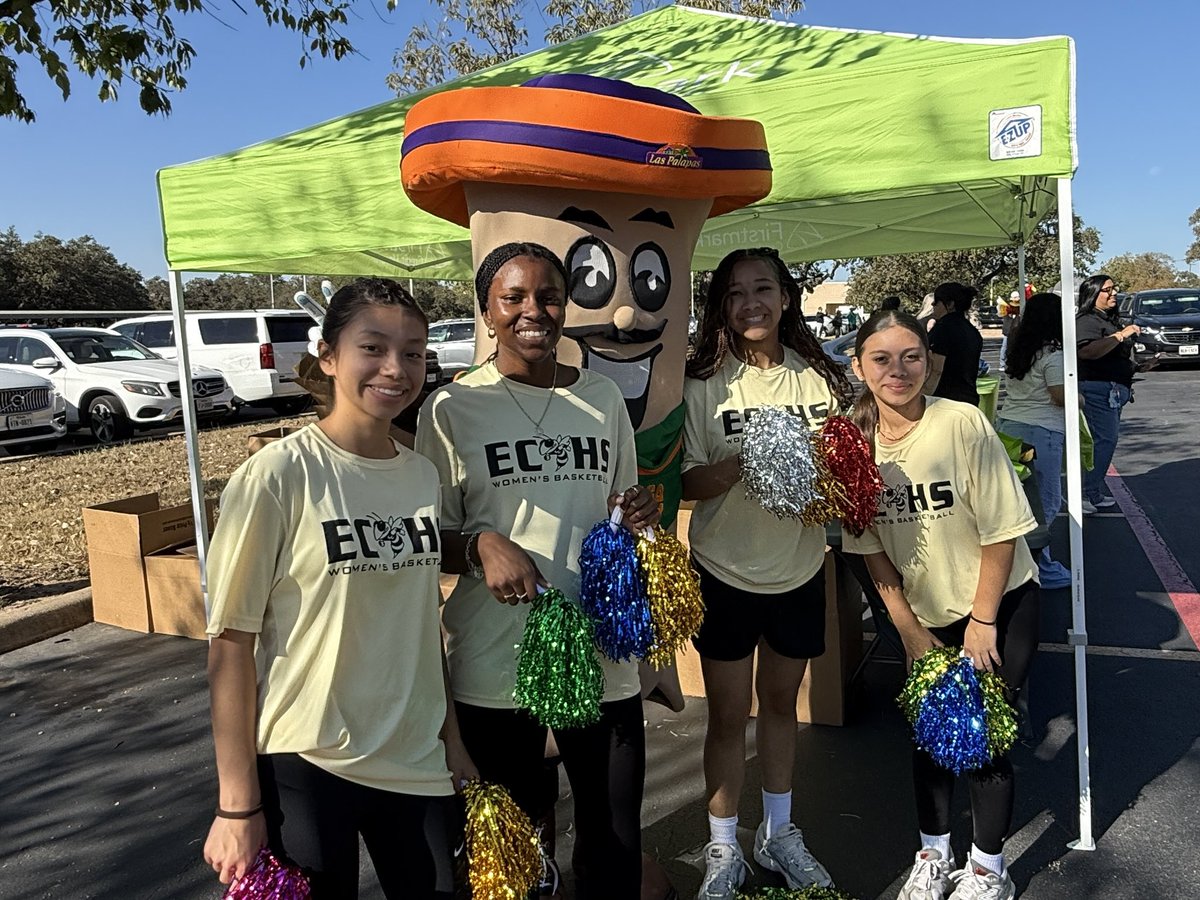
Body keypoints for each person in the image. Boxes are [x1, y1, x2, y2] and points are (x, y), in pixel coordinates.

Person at [202, 278, 475, 899]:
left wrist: (452, 741)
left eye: (412, 352)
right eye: (372, 348)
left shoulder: (422, 476)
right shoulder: (277, 474)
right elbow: (231, 644)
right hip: (308, 757)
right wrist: (237, 806)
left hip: (414, 758)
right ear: (328, 356)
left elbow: (418, 620)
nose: (395, 368)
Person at [415, 242, 660, 900]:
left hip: (601, 657)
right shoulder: (450, 410)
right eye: (514, 297)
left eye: (549, 296)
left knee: (614, 844)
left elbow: (618, 509)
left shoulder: (604, 398)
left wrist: (635, 513)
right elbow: (423, 540)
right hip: (498, 663)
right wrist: (477, 545)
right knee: (513, 856)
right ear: (487, 311)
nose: (535, 310)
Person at [843, 310, 1040, 900]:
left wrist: (982, 622)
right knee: (929, 736)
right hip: (923, 616)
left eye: (912, 356)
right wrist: (907, 631)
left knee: (983, 739)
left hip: (999, 604)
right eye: (881, 358)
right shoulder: (853, 445)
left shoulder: (962, 423)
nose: (898, 370)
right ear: (858, 366)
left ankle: (987, 868)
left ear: (931, 363)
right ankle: (933, 854)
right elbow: (869, 547)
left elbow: (1001, 530)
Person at [682, 248, 854, 899]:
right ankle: (723, 846)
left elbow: (840, 479)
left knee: (782, 706)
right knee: (727, 715)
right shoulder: (706, 382)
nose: (751, 302)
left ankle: (778, 834)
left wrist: (833, 485)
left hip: (800, 570)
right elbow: (688, 483)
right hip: (724, 572)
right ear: (722, 307)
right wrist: (743, 460)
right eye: (735, 293)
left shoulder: (818, 379)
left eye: (763, 289)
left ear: (786, 298)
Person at [996, 293, 1072, 588]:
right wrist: (1078, 397)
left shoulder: (1019, 351)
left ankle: (1030, 564)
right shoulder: (1053, 355)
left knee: (1022, 496)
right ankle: (1040, 566)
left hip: (1012, 428)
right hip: (1040, 432)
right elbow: (1059, 395)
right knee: (1046, 501)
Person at [1076, 273, 1138, 514]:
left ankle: (1092, 492)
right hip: (1097, 389)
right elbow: (1087, 352)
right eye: (1107, 290)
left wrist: (1137, 367)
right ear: (1092, 295)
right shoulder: (1086, 320)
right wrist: (1121, 335)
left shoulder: (1109, 319)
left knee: (1104, 441)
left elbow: (1114, 356)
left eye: (1114, 288)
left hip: (1113, 389)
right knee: (1104, 440)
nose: (1113, 293)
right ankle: (1084, 492)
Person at [926, 282, 983, 405]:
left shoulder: (942, 328)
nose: (932, 304)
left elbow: (936, 370)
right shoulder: (973, 332)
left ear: (950, 304)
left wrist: (923, 395)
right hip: (969, 399)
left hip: (944, 400)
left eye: (936, 301)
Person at [999, 290, 1022, 364]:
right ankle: (1003, 363)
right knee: (1005, 347)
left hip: (1014, 330)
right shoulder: (1006, 307)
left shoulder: (1019, 306)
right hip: (1009, 330)